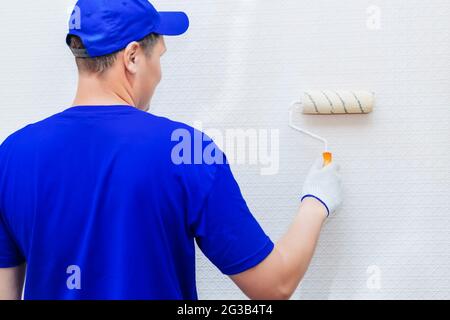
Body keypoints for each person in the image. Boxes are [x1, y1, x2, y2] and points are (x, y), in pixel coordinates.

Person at [0, 0, 342, 300]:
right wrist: (316, 203)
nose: (160, 73)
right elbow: (273, 286)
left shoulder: (10, 156)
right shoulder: (187, 152)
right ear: (133, 57)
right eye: (159, 56)